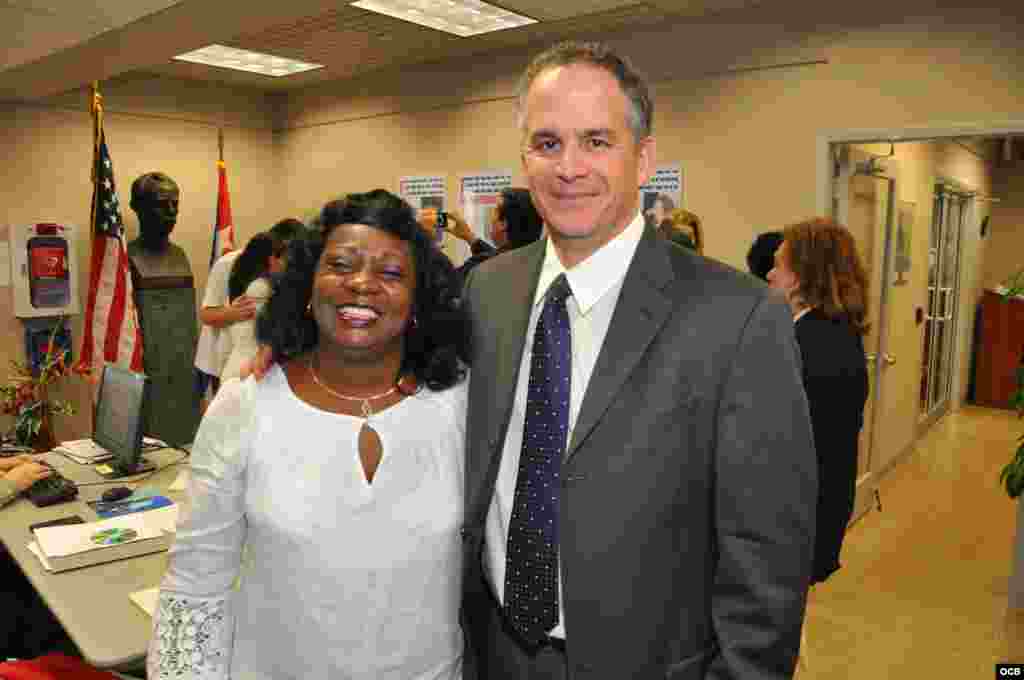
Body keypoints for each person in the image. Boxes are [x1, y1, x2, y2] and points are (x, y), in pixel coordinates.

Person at [458, 41, 817, 679]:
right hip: (494, 653)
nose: (569, 168)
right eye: (547, 143)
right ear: (525, 159)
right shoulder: (485, 291)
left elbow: (766, 555)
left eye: (597, 141)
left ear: (643, 157)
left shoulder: (737, 317)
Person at [148, 189, 470, 680]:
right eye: (341, 265)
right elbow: (194, 587)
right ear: (306, 286)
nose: (361, 284)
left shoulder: (460, 404)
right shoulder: (244, 408)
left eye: (390, 272)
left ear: (419, 298)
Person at [766, 218, 869, 585]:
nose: (769, 274)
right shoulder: (835, 332)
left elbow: (774, 448)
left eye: (778, 264)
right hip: (813, 518)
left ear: (799, 277)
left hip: (791, 525)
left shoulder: (808, 348)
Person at [194, 218, 305, 400]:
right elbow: (206, 314)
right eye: (287, 256)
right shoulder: (227, 264)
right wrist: (231, 313)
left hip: (246, 359)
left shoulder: (283, 279)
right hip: (219, 356)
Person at [218, 232, 287, 381]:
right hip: (249, 370)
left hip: (237, 365)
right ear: (271, 259)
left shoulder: (245, 287)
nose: (285, 264)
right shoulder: (261, 289)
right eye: (282, 257)